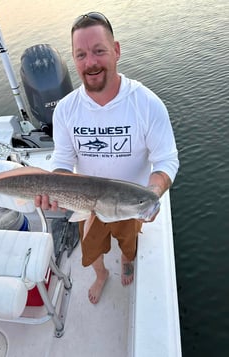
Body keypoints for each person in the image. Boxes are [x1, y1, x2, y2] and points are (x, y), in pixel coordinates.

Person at [35, 12, 179, 304]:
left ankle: (127, 262)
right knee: (92, 250)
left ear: (116, 50)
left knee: (129, 244)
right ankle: (101, 274)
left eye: (99, 51)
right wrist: (52, 191)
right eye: (81, 54)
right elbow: (62, 161)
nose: (91, 63)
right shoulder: (65, 109)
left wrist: (150, 194)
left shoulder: (147, 104)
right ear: (73, 61)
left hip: (128, 201)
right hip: (87, 204)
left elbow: (166, 160)